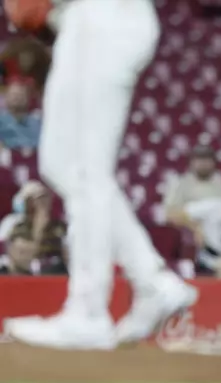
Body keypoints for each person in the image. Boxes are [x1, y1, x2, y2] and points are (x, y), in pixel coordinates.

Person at [3, 0, 197, 351]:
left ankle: (88, 314)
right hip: (88, 21)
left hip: (104, 15)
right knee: (61, 164)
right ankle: (153, 284)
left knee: (84, 169)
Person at [164, 145, 221, 247]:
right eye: (200, 159)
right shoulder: (180, 183)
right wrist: (195, 227)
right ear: (191, 162)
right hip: (192, 235)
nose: (204, 164)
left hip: (219, 233)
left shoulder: (220, 182)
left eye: (207, 159)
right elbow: (170, 215)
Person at [0, 81, 41, 149]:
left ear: (27, 99)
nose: (17, 98)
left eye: (20, 95)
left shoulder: (36, 122)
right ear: (6, 98)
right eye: (14, 95)